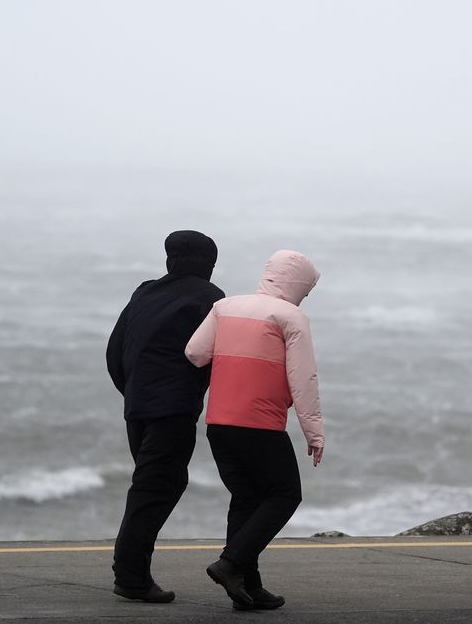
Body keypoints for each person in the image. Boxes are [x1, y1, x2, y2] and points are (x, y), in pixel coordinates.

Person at [185, 250, 325, 611]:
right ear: (297, 285)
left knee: (246, 499)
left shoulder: (225, 307)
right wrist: (314, 432)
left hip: (219, 422)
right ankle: (230, 565)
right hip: (259, 423)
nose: (304, 297)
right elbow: (303, 379)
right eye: (306, 290)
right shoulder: (291, 317)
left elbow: (195, 353)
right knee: (284, 494)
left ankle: (247, 588)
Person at [106, 230, 225, 603]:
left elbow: (115, 350)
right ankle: (131, 577)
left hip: (137, 406)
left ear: (170, 260)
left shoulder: (145, 292)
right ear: (208, 265)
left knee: (159, 485)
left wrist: (135, 392)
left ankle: (131, 570)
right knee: (155, 489)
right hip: (172, 410)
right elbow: (214, 358)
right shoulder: (211, 298)